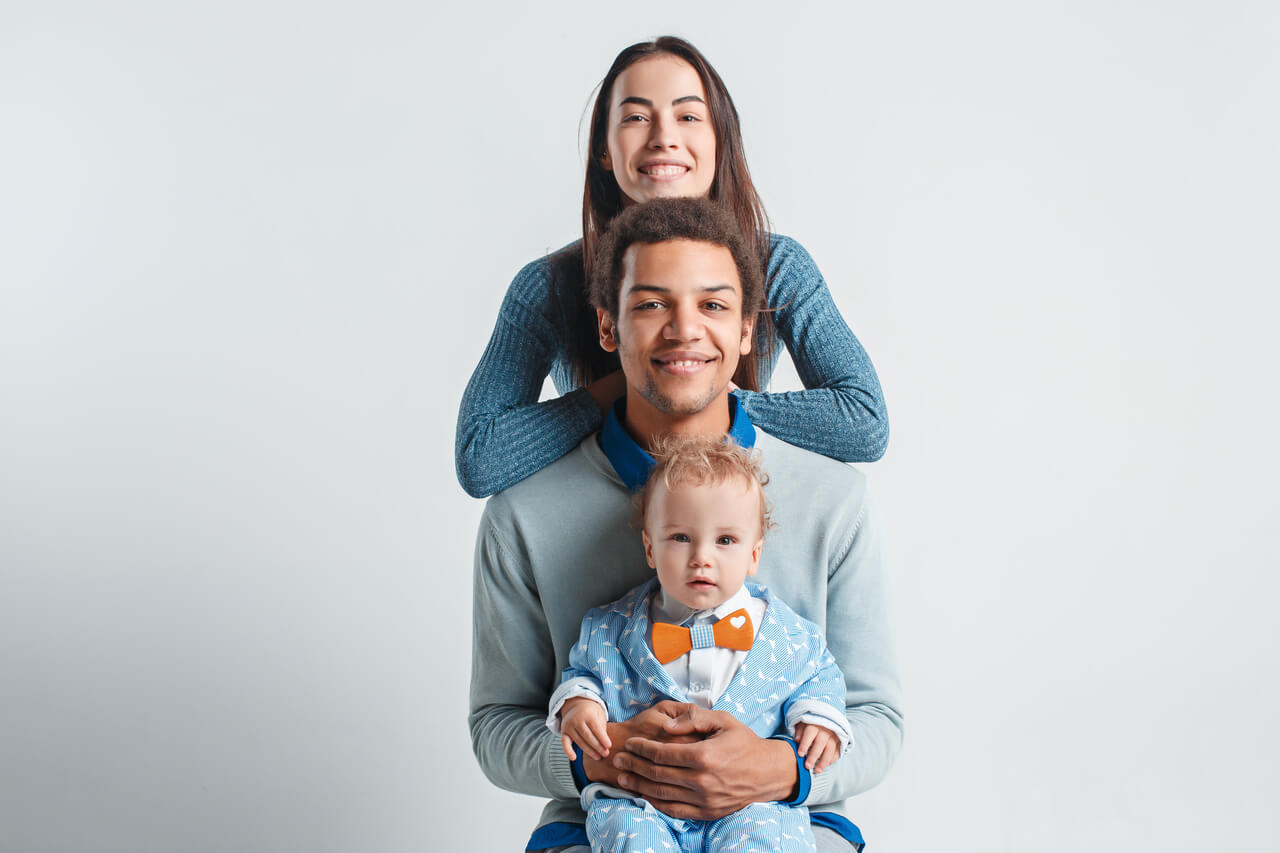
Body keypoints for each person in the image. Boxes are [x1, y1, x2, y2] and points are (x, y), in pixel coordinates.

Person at [469, 197, 902, 853]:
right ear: (608, 327)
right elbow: (497, 724)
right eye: (650, 304)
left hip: (793, 818)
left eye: (714, 305)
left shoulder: (837, 501)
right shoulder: (521, 515)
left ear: (748, 329)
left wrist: (783, 768)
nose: (684, 329)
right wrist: (602, 757)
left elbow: (878, 715)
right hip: (601, 821)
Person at [455, 36, 889, 499]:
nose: (664, 137)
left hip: (729, 516)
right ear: (604, 148)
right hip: (601, 506)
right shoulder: (549, 287)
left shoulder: (777, 266)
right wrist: (644, 381)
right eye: (638, 117)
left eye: (687, 116)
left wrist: (706, 393)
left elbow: (863, 421)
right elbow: (482, 456)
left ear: (719, 140)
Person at [551, 434, 852, 853]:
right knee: (623, 829)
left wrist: (819, 719)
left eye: (725, 540)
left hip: (750, 801)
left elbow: (821, 675)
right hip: (643, 801)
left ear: (754, 554)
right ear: (650, 548)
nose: (702, 558)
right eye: (681, 538)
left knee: (769, 838)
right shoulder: (611, 628)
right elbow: (583, 674)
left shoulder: (789, 635)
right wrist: (580, 704)